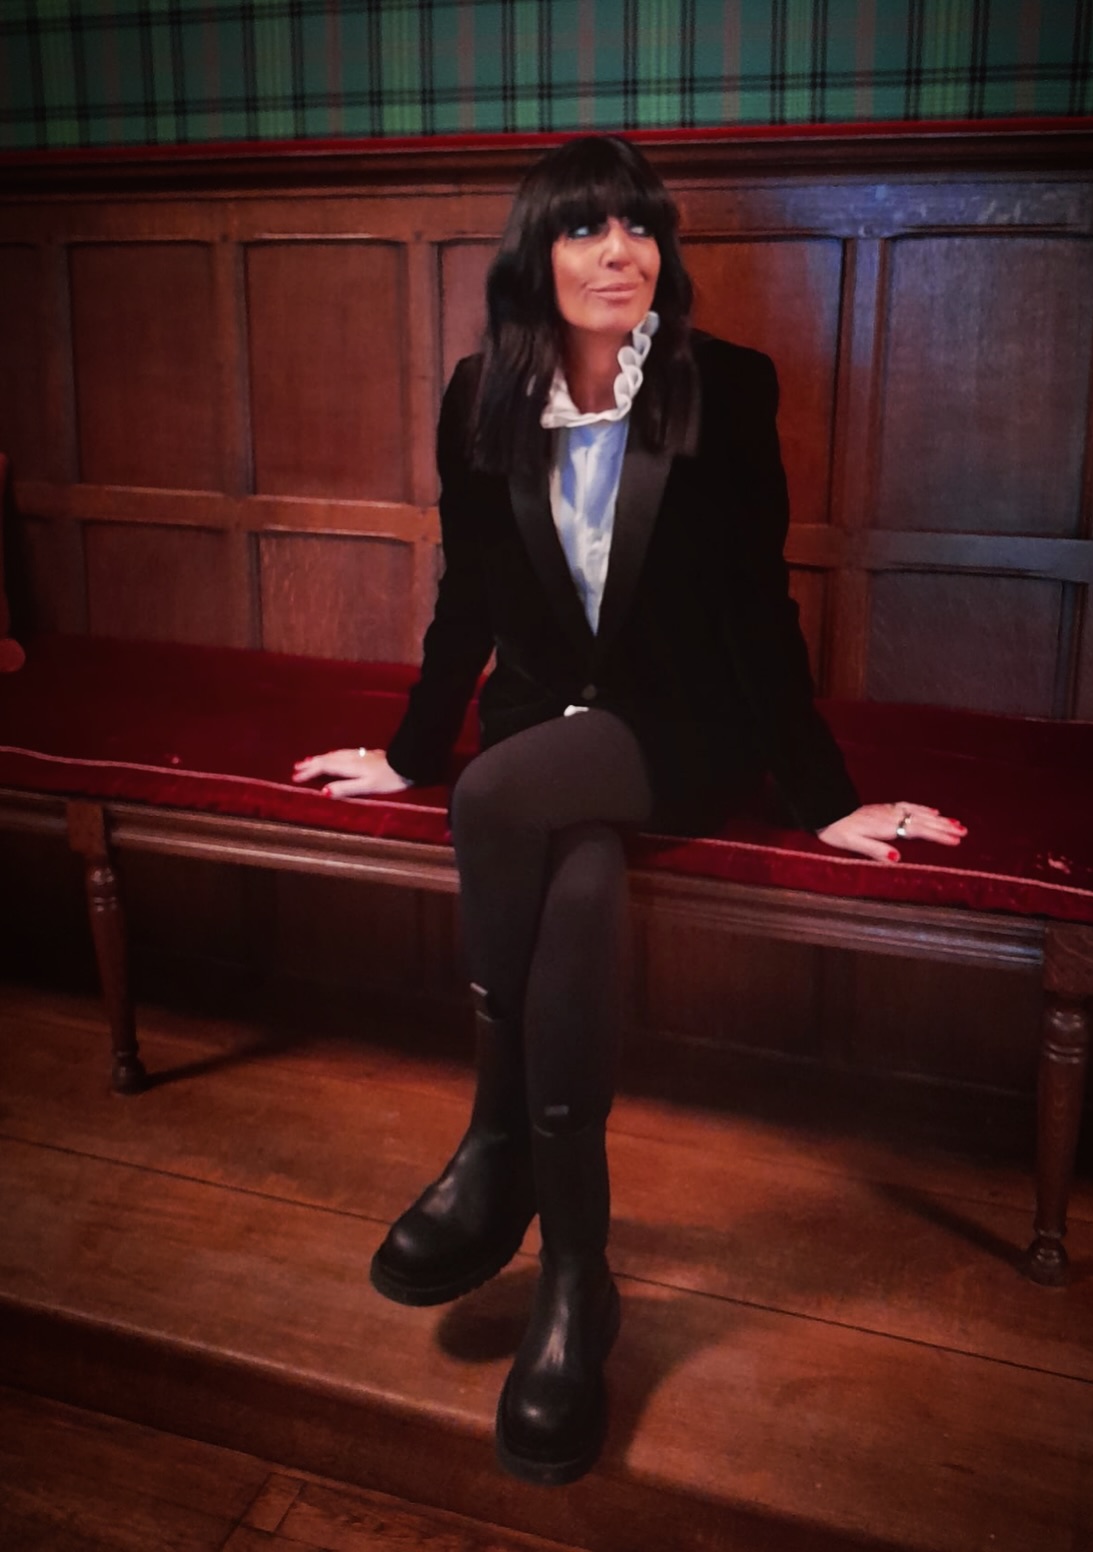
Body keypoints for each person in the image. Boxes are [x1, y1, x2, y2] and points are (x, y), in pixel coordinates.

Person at [292, 135, 965, 1486]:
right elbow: (469, 599)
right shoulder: (485, 395)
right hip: (552, 728)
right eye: (587, 228)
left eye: (639, 228)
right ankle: (574, 1285)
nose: (620, 252)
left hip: (679, 732)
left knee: (502, 795)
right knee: (573, 872)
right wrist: (409, 750)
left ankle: (493, 1145)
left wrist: (823, 795)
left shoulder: (725, 390)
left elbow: (763, 607)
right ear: (535, 255)